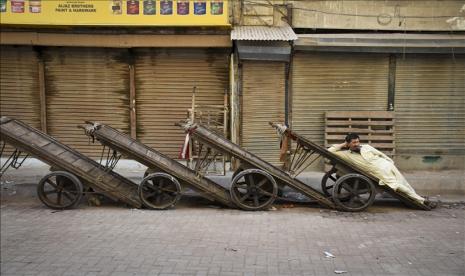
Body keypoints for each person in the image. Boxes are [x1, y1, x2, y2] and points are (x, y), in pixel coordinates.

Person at [328, 133, 437, 209]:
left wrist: (390, 162)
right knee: (398, 186)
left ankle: (417, 197)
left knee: (404, 183)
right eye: (353, 142)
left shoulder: (366, 147)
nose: (356, 144)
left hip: (388, 167)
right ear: (348, 144)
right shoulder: (346, 154)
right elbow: (330, 151)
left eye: (357, 141)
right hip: (380, 174)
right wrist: (343, 144)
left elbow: (381, 154)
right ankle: (422, 201)